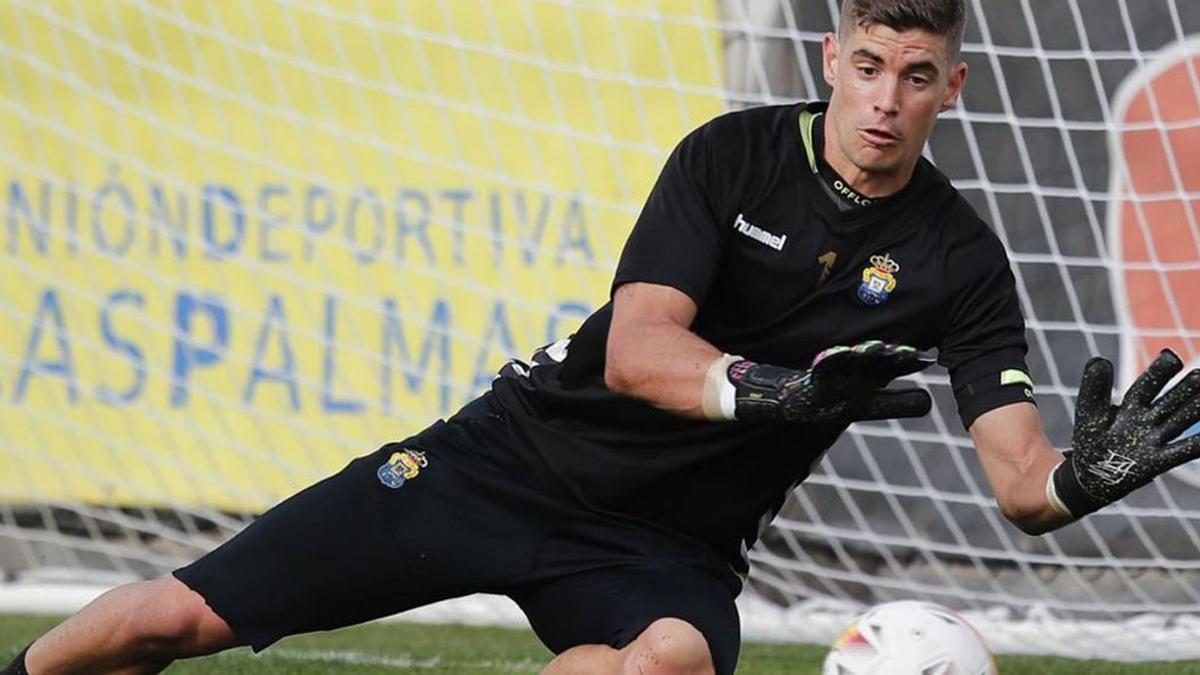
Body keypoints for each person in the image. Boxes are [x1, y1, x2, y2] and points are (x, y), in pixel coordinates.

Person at [8, 1, 1200, 674]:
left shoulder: (960, 258)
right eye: (871, 65)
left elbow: (1019, 483)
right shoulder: (728, 155)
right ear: (833, 59)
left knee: (665, 665)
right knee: (175, 619)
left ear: (957, 86)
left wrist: (1079, 481)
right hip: (511, 462)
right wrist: (768, 391)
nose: (887, 99)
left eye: (918, 74)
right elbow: (639, 351)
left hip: (667, 542)